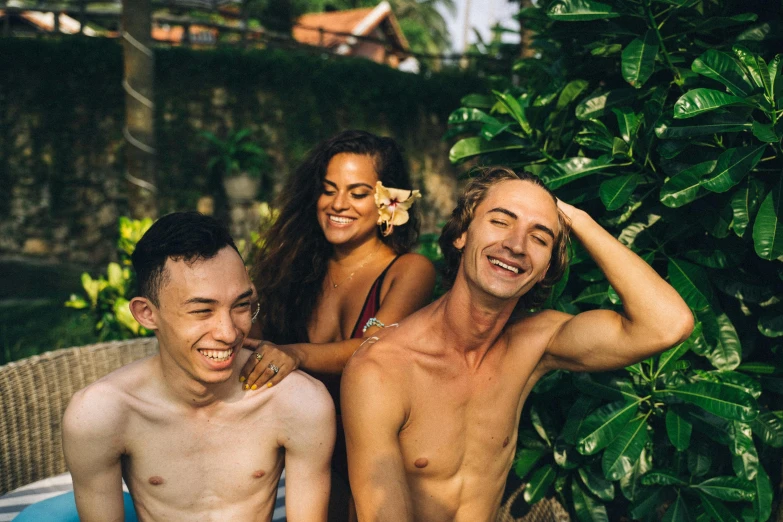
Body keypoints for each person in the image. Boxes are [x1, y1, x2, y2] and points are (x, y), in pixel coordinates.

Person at [341, 167, 695, 521]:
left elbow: (667, 325)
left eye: (540, 238)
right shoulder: (381, 370)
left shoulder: (534, 345)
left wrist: (578, 219)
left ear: (545, 269)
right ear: (462, 234)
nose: (515, 245)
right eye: (500, 221)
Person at [62, 211, 335, 522]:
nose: (229, 332)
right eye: (203, 310)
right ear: (147, 314)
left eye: (241, 305)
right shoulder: (101, 415)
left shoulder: (297, 402)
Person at [239, 130, 436, 519]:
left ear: (387, 203)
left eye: (358, 193)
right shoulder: (293, 267)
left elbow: (373, 348)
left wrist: (293, 354)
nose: (337, 204)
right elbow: (250, 336)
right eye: (329, 190)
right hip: (292, 450)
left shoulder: (410, 271)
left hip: (369, 459)